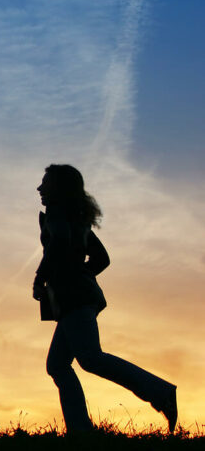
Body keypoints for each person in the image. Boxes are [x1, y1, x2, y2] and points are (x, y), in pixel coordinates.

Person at [33, 164, 178, 434]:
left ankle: (161, 393)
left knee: (89, 358)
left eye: (45, 183)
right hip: (79, 297)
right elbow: (101, 258)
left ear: (58, 188)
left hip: (74, 298)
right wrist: (79, 274)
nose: (39, 188)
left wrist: (42, 276)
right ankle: (80, 429)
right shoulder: (76, 219)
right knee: (58, 365)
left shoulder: (57, 215)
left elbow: (60, 242)